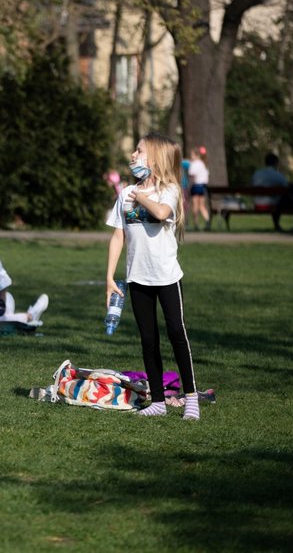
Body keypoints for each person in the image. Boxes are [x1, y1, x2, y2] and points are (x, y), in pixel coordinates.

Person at [105, 133, 199, 420]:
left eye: (139, 151)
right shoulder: (125, 193)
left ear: (155, 159)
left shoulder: (168, 190)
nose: (133, 155)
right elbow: (118, 236)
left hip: (167, 277)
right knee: (148, 340)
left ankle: (191, 398)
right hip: (137, 278)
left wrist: (141, 196)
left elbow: (160, 212)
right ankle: (158, 401)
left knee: (176, 333)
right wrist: (110, 277)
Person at [251, 153, 288, 231]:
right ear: (276, 163)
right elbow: (286, 188)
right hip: (273, 205)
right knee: (281, 199)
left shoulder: (257, 174)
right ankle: (277, 224)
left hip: (258, 204)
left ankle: (277, 225)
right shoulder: (278, 176)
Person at [187, 146, 211, 231]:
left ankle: (196, 224)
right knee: (202, 206)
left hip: (196, 186)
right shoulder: (202, 163)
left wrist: (189, 186)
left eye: (192, 155)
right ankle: (207, 221)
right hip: (203, 186)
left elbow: (192, 175)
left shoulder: (193, 164)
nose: (191, 157)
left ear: (195, 155)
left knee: (195, 206)